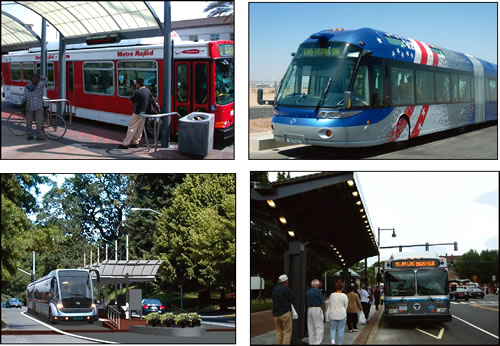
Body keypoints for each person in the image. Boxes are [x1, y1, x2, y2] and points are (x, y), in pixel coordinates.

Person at [118, 78, 152, 149]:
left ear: (138, 84)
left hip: (137, 112)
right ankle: (135, 142)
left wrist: (135, 92)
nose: (135, 85)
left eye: (136, 84)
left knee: (132, 127)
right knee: (140, 128)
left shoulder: (139, 92)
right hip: (145, 112)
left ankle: (126, 143)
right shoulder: (148, 91)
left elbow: (131, 100)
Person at [21, 73, 47, 140]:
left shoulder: (27, 87)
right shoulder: (40, 85)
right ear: (38, 80)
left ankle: (29, 135)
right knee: (39, 122)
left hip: (29, 107)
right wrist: (39, 76)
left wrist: (22, 104)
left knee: (29, 122)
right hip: (39, 107)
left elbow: (24, 98)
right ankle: (39, 135)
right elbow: (45, 79)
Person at [272, 274, 294, 345]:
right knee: (287, 333)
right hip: (285, 313)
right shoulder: (287, 289)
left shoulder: (274, 289)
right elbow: (292, 300)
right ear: (285, 281)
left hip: (276, 314)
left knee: (278, 332)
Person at [326, 281, 348, 345]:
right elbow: (346, 305)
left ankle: (333, 340)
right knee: (341, 329)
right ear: (342, 288)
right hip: (342, 314)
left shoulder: (332, 295)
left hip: (333, 314)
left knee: (332, 328)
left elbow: (330, 304)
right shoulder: (344, 296)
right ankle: (339, 343)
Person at [306, 279, 325, 344]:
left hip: (309, 309)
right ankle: (317, 342)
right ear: (317, 285)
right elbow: (322, 301)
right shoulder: (318, 291)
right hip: (317, 309)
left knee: (311, 327)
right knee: (319, 327)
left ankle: (311, 342)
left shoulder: (308, 291)